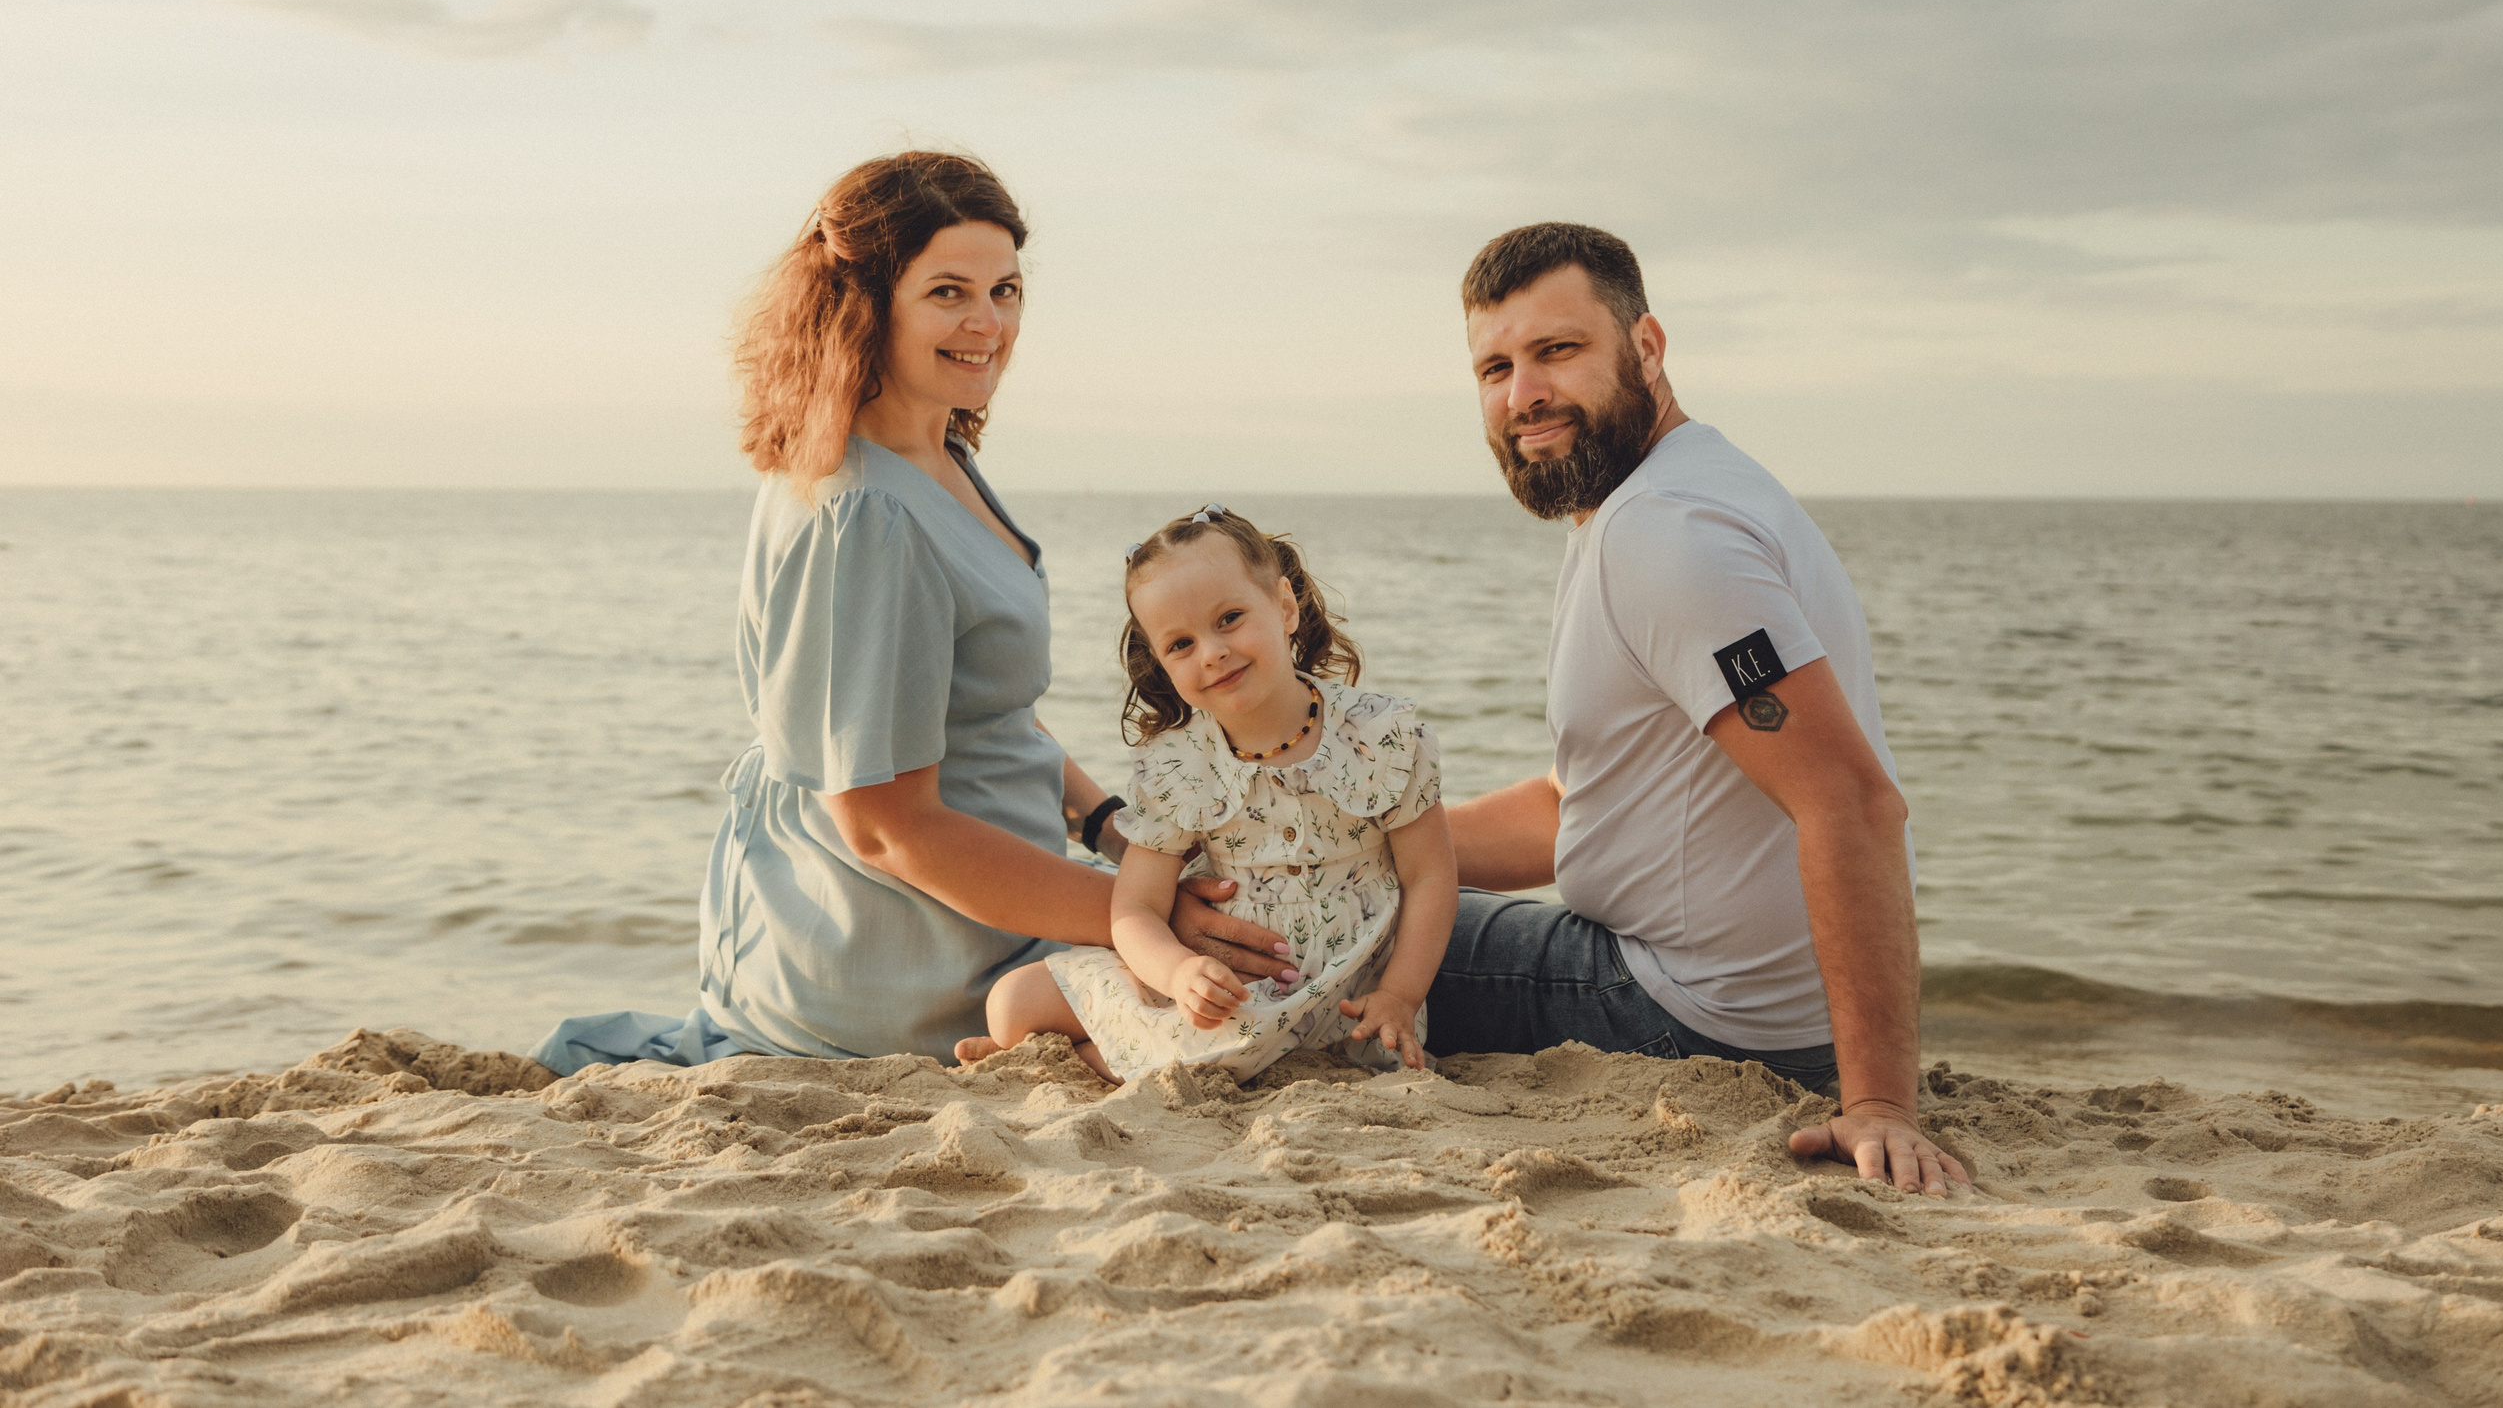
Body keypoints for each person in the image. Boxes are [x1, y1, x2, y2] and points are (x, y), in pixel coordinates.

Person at [526, 152, 1297, 1075]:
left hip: (993, 893)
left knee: (1286, 902)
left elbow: (981, 707)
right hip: (900, 949)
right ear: (867, 306)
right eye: (948, 292)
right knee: (1275, 958)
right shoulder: (868, 513)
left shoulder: (934, 455)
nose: (989, 322)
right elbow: (887, 826)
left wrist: (1109, 827)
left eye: (1005, 289)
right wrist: (1141, 914)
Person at [1416, 221, 1971, 1197]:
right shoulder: (1673, 495)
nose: (1522, 395)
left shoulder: (1665, 535)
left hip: (1686, 1015)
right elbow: (1574, 805)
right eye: (1493, 368)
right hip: (1744, 1007)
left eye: (1556, 351)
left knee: (1341, 923)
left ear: (1647, 347)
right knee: (1372, 884)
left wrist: (1879, 1104)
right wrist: (1368, 841)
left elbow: (1851, 802)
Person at [958, 505, 1459, 1083]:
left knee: (1223, 1047)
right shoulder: (1179, 764)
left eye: (1229, 618)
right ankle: (1066, 1057)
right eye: (1180, 644)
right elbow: (1137, 907)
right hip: (1225, 982)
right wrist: (1177, 974)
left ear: (1285, 606)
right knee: (1012, 1003)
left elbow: (1430, 877)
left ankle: (1080, 1063)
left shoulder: (1381, 737)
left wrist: (1401, 994)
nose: (1211, 652)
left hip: (1344, 995)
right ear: (1162, 663)